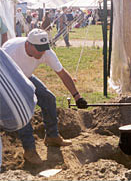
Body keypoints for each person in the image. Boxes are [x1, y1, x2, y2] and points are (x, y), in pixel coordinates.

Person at [2, 29, 88, 165]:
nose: (42, 53)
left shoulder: (46, 52)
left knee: (49, 98)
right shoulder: (10, 51)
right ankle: (29, 150)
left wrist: (77, 97)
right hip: (8, 81)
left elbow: (63, 74)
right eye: (39, 49)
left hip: (26, 76)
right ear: (28, 44)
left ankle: (52, 136)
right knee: (23, 109)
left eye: (44, 49)